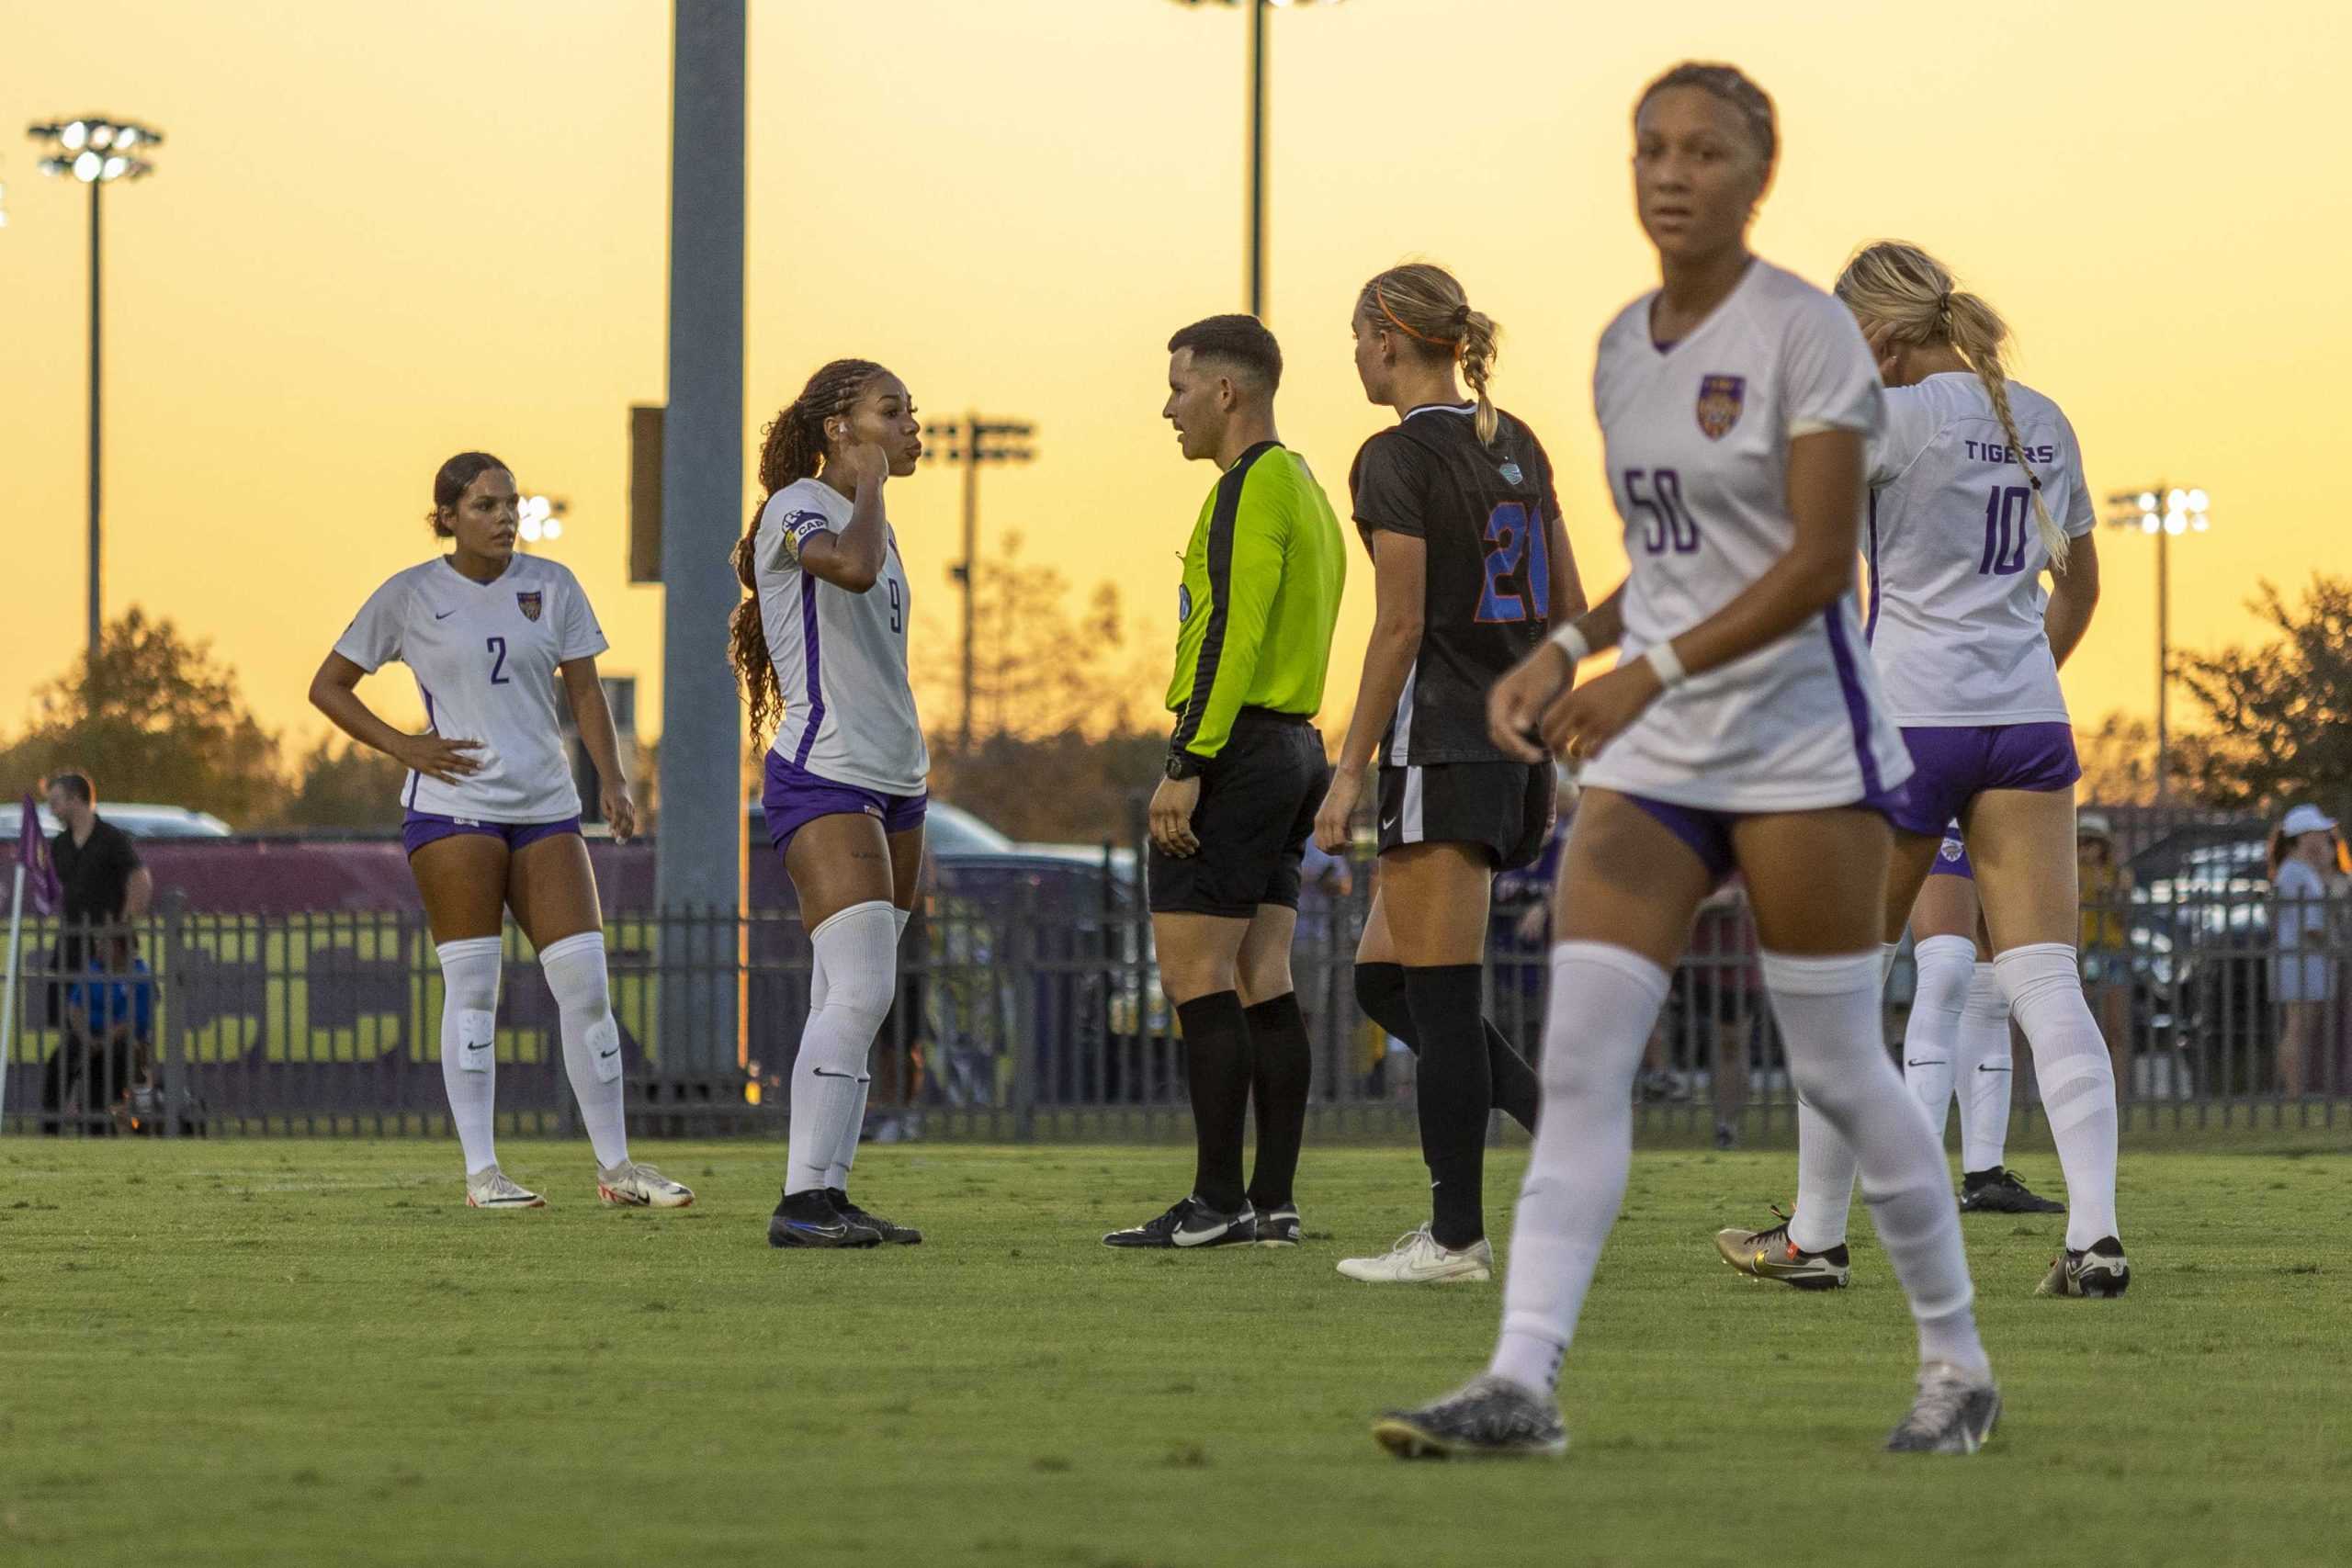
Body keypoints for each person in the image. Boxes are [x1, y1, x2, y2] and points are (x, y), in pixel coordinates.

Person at [1374, 64, 1995, 1459]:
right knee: (1586, 1058)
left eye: (1704, 151)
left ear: (1756, 175)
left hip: (1800, 743)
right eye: (1651, 146)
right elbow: (1667, 565)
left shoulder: (1808, 340)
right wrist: (1569, 643)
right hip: (1662, 748)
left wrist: (1643, 665)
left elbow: (1818, 561)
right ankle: (1522, 1380)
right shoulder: (1615, 346)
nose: (1672, 171)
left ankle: (1957, 1362)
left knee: (1838, 1062)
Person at [1715, 240, 2126, 1300]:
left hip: (1907, 722)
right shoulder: (2042, 415)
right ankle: (2094, 1238)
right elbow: (2077, 588)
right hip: (2026, 721)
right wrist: (2024, 668)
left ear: (1887, 335)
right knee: (2043, 977)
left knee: (1839, 989)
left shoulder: (1891, 419)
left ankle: (1813, 1238)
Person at [311, 452, 689, 1213]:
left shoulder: (553, 587)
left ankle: (617, 1167)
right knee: (474, 988)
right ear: (446, 515)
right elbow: (328, 686)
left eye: (511, 503)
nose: (505, 517)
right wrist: (404, 746)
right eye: (485, 505)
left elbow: (584, 690)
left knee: (586, 985)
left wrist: (612, 781)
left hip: (547, 808)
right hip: (454, 811)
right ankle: (483, 1172)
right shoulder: (412, 594)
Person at [1313, 262, 1584, 1284]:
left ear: (1389, 339)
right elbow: (1569, 605)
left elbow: (1400, 625)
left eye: (1354, 333)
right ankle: (1556, 1126)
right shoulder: (1514, 441)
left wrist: (1348, 772)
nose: (1351, 351)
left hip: (1445, 746)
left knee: (1439, 990)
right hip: (1513, 749)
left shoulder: (1393, 455)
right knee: (1389, 982)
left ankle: (1457, 1240)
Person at [1106, 314, 1345, 1251]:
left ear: (1226, 391)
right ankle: (1271, 1201)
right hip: (1296, 747)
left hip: (1238, 751)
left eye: (1177, 388)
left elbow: (1227, 636)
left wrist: (1186, 765)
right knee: (1261, 976)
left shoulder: (1251, 489)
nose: (1168, 408)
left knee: (1194, 975)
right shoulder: (1308, 489)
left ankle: (1213, 1204)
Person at [731, 359, 932, 1249]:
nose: (911, 425)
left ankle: (828, 1191)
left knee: (856, 995)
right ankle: (799, 1204)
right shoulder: (797, 507)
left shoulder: (872, 524)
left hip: (897, 778)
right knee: (857, 989)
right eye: (892, 412)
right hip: (828, 772)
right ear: (837, 426)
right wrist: (873, 480)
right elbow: (843, 569)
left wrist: (875, 485)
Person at [1898, 830, 2063, 1213]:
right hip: (1938, 798)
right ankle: (1915, 1179)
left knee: (1991, 991)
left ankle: (1984, 1176)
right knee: (1946, 968)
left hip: (1998, 803)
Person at [41, 934, 153, 1134]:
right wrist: (87, 1038)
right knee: (60, 1060)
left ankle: (97, 1129)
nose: (98, 948)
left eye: (104, 944)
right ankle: (50, 1127)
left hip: (122, 1040)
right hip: (88, 1035)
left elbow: (132, 1021)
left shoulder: (140, 975)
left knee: (107, 1067)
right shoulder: (93, 970)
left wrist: (101, 1042)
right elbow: (75, 1009)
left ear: (122, 949)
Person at [2269, 804, 2341, 1097]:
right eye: (2317, 833)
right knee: (2298, 1025)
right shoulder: (2294, 873)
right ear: (2304, 836)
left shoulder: (2300, 871)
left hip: (2306, 959)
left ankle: (2297, 1089)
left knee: (2302, 1026)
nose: (2324, 837)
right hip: (2300, 959)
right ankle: (2294, 1092)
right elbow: (2311, 924)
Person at [2075, 813, 2135, 1086]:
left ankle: (2119, 1089)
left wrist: (2107, 891)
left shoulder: (2119, 875)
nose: (2085, 848)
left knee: (2116, 1028)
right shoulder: (2069, 873)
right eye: (2080, 841)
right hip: (2081, 951)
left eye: (2091, 842)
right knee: (2083, 1026)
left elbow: (2125, 917)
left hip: (2111, 951)